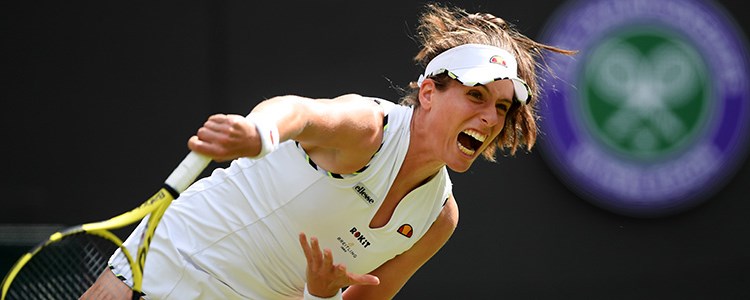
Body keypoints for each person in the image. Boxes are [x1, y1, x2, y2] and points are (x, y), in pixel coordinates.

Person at [84, 3, 575, 299]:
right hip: (168, 267)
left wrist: (322, 295)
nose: (490, 118)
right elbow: (296, 111)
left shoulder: (437, 219)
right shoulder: (368, 128)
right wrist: (258, 135)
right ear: (428, 93)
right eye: (475, 96)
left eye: (502, 109)